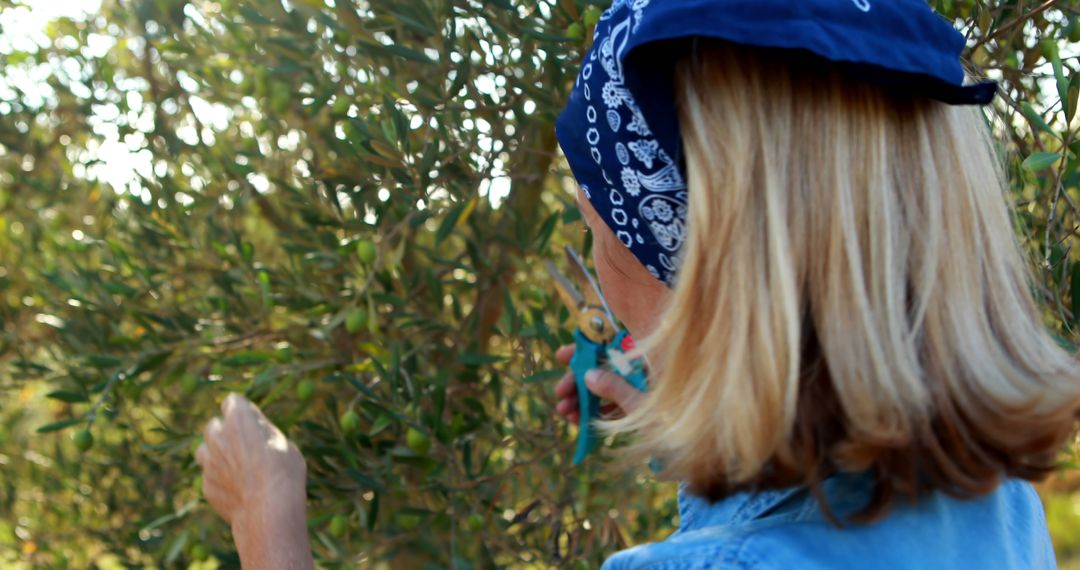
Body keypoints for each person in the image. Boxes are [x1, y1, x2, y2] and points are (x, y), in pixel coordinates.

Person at [195, 0, 1080, 568]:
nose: (588, 265)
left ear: (708, 279)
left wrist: (265, 519)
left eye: (595, 225)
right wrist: (685, 406)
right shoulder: (990, 499)